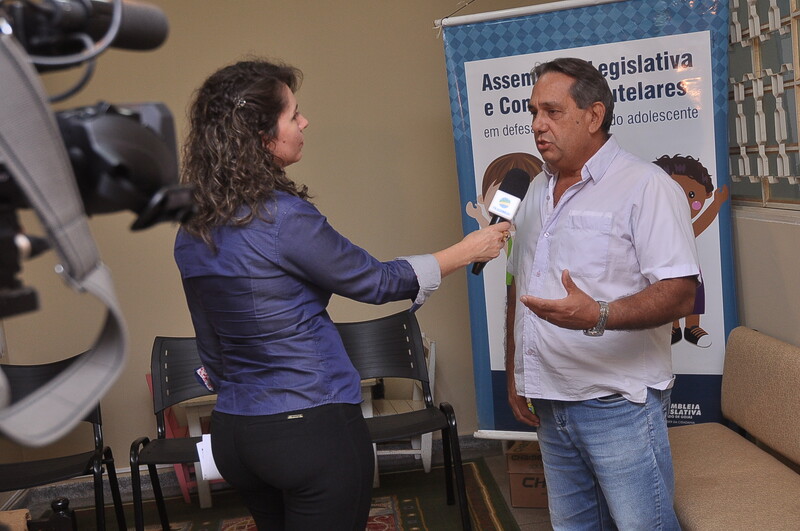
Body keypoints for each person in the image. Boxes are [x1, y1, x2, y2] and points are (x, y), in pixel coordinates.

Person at [174, 59, 511, 531]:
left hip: (234, 431)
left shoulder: (192, 229)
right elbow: (376, 282)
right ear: (260, 135)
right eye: (293, 114)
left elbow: (210, 343)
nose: (304, 121)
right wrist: (466, 251)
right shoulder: (283, 217)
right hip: (309, 430)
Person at [504, 57, 700, 530]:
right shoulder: (533, 189)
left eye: (552, 112)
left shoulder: (646, 186)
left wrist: (600, 313)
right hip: (550, 400)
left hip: (618, 404)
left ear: (594, 116)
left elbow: (680, 294)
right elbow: (518, 285)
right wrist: (515, 373)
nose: (537, 125)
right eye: (534, 112)